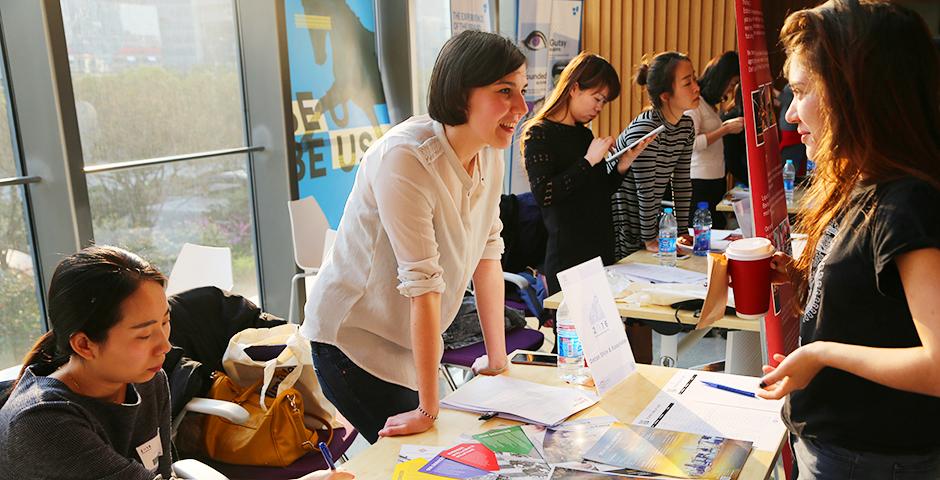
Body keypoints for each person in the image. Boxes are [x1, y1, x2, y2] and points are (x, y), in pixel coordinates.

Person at [300, 30, 528, 443]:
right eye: (505, 91)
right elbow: (421, 284)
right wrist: (427, 408)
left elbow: (488, 253)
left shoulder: (490, 154)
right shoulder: (406, 158)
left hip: (409, 342)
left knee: (426, 453)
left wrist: (497, 360)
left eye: (522, 91)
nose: (522, 108)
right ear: (462, 94)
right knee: (416, 457)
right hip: (353, 343)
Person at [754, 1, 940, 478]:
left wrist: (819, 355)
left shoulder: (907, 203)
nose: (791, 114)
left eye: (799, 91)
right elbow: (876, 310)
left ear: (854, 93)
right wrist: (798, 276)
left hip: (874, 460)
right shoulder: (858, 182)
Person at [0, 246, 352, 480]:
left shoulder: (145, 380)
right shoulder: (43, 422)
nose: (165, 345)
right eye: (143, 334)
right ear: (84, 344)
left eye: (165, 322)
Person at [520, 51, 655, 296]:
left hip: (600, 248)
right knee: (574, 331)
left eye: (604, 102)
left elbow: (600, 190)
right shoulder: (538, 134)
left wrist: (625, 162)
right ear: (574, 88)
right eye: (597, 98)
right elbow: (545, 194)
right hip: (568, 258)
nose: (599, 107)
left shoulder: (584, 135)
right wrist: (588, 160)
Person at [612, 51, 699, 259]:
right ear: (665, 96)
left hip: (645, 223)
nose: (697, 87)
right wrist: (650, 237)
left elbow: (681, 182)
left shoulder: (685, 126)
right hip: (621, 224)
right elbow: (646, 190)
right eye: (687, 83)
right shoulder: (646, 130)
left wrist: (682, 231)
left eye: (694, 78)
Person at [684, 51, 742, 229]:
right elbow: (691, 144)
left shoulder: (708, 104)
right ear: (721, 78)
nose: (731, 90)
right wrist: (725, 129)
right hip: (699, 180)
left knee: (715, 228)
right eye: (731, 84)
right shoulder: (695, 103)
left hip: (716, 177)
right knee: (702, 232)